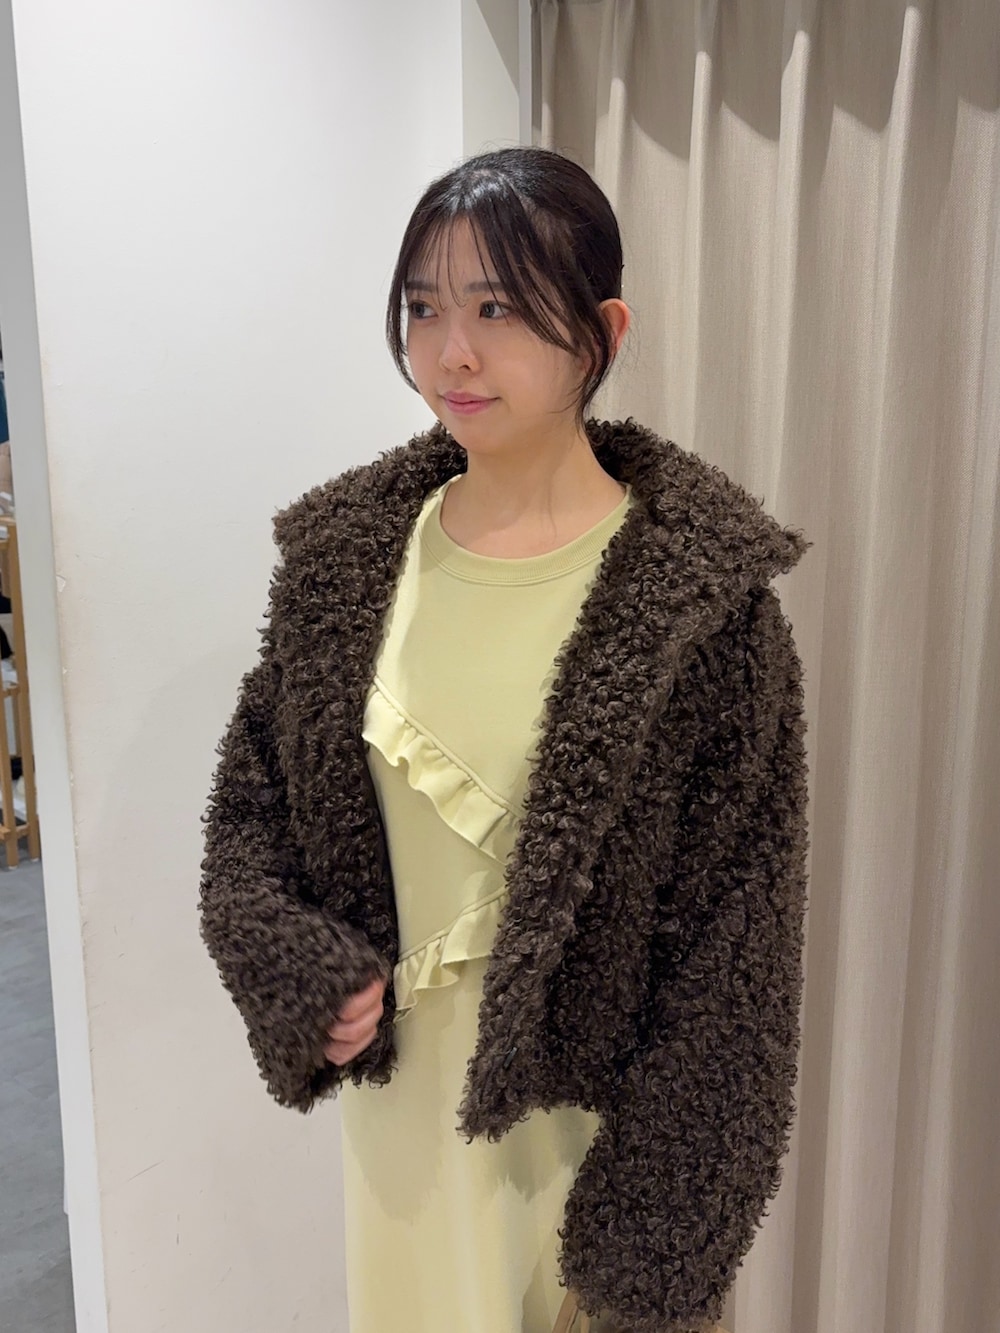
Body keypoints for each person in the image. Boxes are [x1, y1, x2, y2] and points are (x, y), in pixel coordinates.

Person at [200, 147, 810, 1333]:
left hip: (597, 1169)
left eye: (497, 309)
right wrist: (297, 971)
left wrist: (651, 1243)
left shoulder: (707, 608)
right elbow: (248, 821)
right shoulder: (345, 565)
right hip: (402, 1142)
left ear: (600, 333)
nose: (451, 353)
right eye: (424, 308)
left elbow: (739, 957)